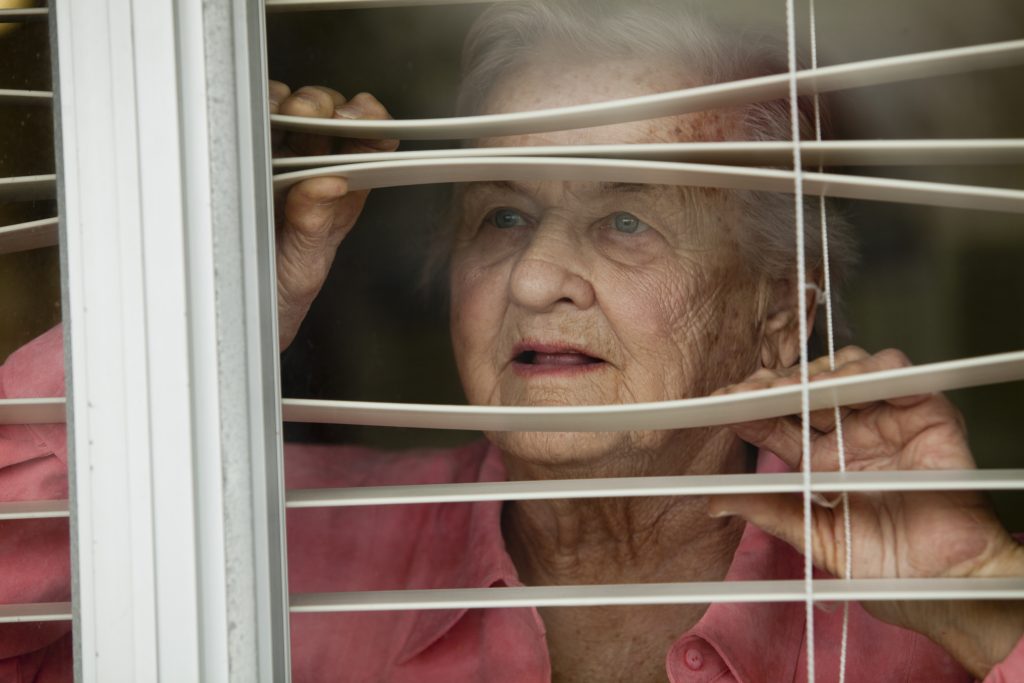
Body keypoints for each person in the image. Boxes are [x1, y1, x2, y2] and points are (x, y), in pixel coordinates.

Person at [2, 1, 1022, 681]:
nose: (533, 276)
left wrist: (978, 591)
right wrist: (212, 318)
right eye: (501, 215)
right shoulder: (264, 545)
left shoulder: (907, 626)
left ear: (779, 311)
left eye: (627, 218)